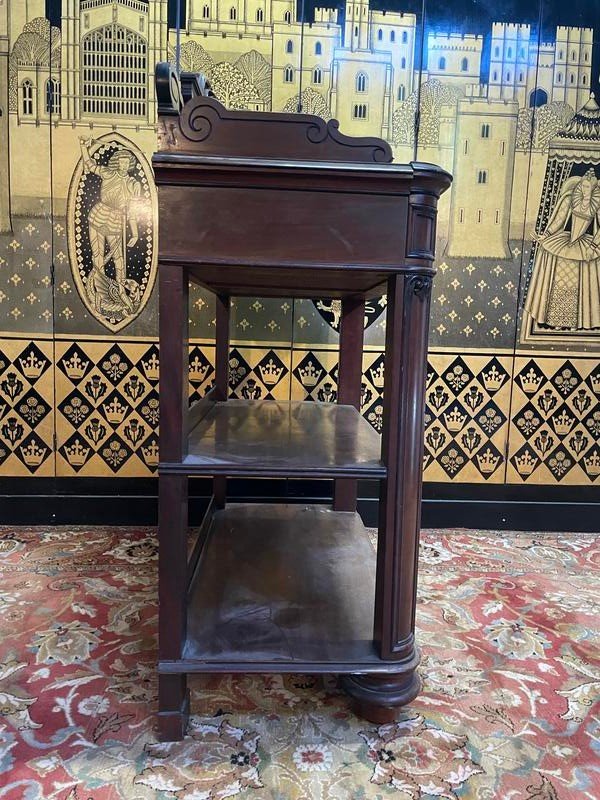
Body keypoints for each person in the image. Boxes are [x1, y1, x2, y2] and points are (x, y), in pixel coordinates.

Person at [525, 167, 600, 330]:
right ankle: (556, 321)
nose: (586, 190)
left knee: (578, 286)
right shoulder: (570, 198)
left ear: (594, 188)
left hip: (584, 245)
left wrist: (593, 247)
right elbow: (558, 220)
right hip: (564, 243)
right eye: (584, 186)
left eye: (589, 187)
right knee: (560, 284)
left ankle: (576, 323)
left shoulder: (597, 204)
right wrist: (545, 235)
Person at [79, 137, 141, 317]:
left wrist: (135, 233)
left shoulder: (133, 184)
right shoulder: (108, 173)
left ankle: (121, 291)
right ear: (116, 162)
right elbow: (90, 165)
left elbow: (133, 211)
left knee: (118, 258)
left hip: (117, 219)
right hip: (99, 215)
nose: (123, 164)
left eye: (126, 161)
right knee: (97, 255)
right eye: (120, 161)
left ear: (129, 164)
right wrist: (84, 147)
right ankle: (100, 292)